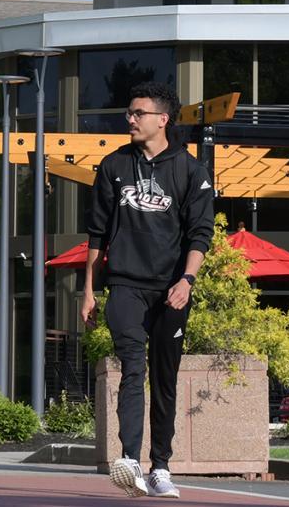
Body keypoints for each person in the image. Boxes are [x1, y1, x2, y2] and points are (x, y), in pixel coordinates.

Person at [82, 82, 214, 499]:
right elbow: (96, 235)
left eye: (138, 113)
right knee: (132, 366)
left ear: (163, 119)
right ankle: (129, 460)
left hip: (171, 290)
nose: (130, 119)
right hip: (124, 284)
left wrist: (186, 281)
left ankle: (160, 466)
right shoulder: (112, 165)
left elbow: (200, 234)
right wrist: (88, 290)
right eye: (129, 112)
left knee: (164, 377)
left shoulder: (190, 171)